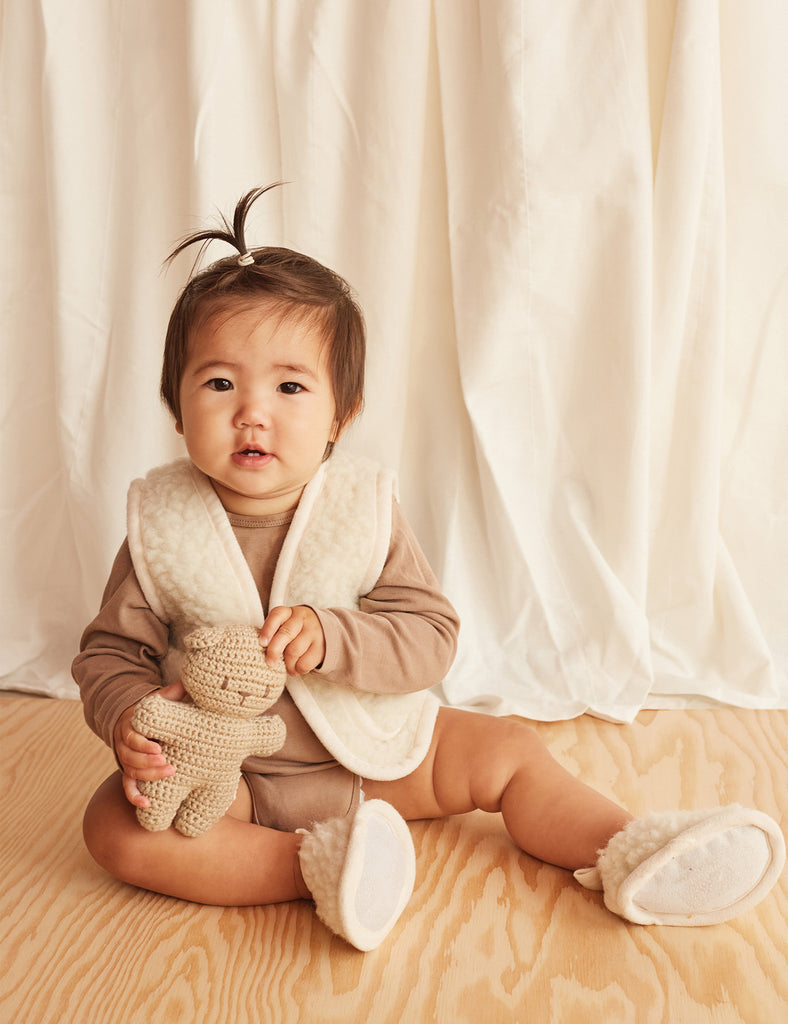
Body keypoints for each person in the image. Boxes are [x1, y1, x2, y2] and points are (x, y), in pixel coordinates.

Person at [74, 186, 785, 951]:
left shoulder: (360, 508)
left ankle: (630, 849)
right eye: (219, 383)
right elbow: (111, 654)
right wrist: (129, 721)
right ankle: (316, 867)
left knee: (508, 751)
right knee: (114, 827)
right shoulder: (162, 523)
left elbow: (430, 636)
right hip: (235, 781)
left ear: (341, 414)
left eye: (289, 386)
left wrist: (334, 637)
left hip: (380, 752)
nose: (253, 411)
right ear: (175, 407)